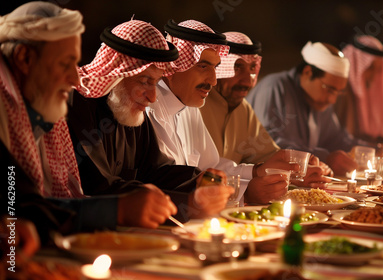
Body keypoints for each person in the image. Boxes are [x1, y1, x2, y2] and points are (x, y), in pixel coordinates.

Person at [0, 2, 178, 246]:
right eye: (65, 63)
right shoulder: (72, 104)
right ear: (24, 58)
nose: (76, 78)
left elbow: (29, 205)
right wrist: (118, 209)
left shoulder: (41, 108)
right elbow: (21, 208)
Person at [68, 19, 233, 222]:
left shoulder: (132, 110)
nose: (153, 97)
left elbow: (154, 171)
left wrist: (197, 180)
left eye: (155, 83)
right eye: (145, 82)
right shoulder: (78, 104)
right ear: (117, 74)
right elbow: (98, 186)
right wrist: (188, 204)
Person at [147, 21, 301, 204]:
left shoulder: (189, 105)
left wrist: (257, 171)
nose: (213, 81)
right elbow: (168, 187)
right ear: (174, 65)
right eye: (203, 66)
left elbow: (210, 168)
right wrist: (244, 195)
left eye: (215, 68)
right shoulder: (149, 108)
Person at [247, 41, 368, 175]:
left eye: (337, 93)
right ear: (308, 72)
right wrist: (325, 158)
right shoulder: (275, 88)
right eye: (329, 89)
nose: (332, 99)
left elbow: (336, 138)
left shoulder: (320, 101)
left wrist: (374, 150)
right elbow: (271, 144)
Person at [200, 31, 280, 165]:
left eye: (252, 68)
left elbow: (266, 156)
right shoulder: (195, 103)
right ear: (218, 67)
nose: (247, 82)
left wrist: (299, 165)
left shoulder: (243, 108)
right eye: (237, 67)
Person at [335, 35, 383, 141]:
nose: (374, 76)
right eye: (370, 68)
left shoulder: (367, 91)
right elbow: (344, 139)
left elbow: (366, 136)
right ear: (357, 64)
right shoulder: (343, 91)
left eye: (379, 70)